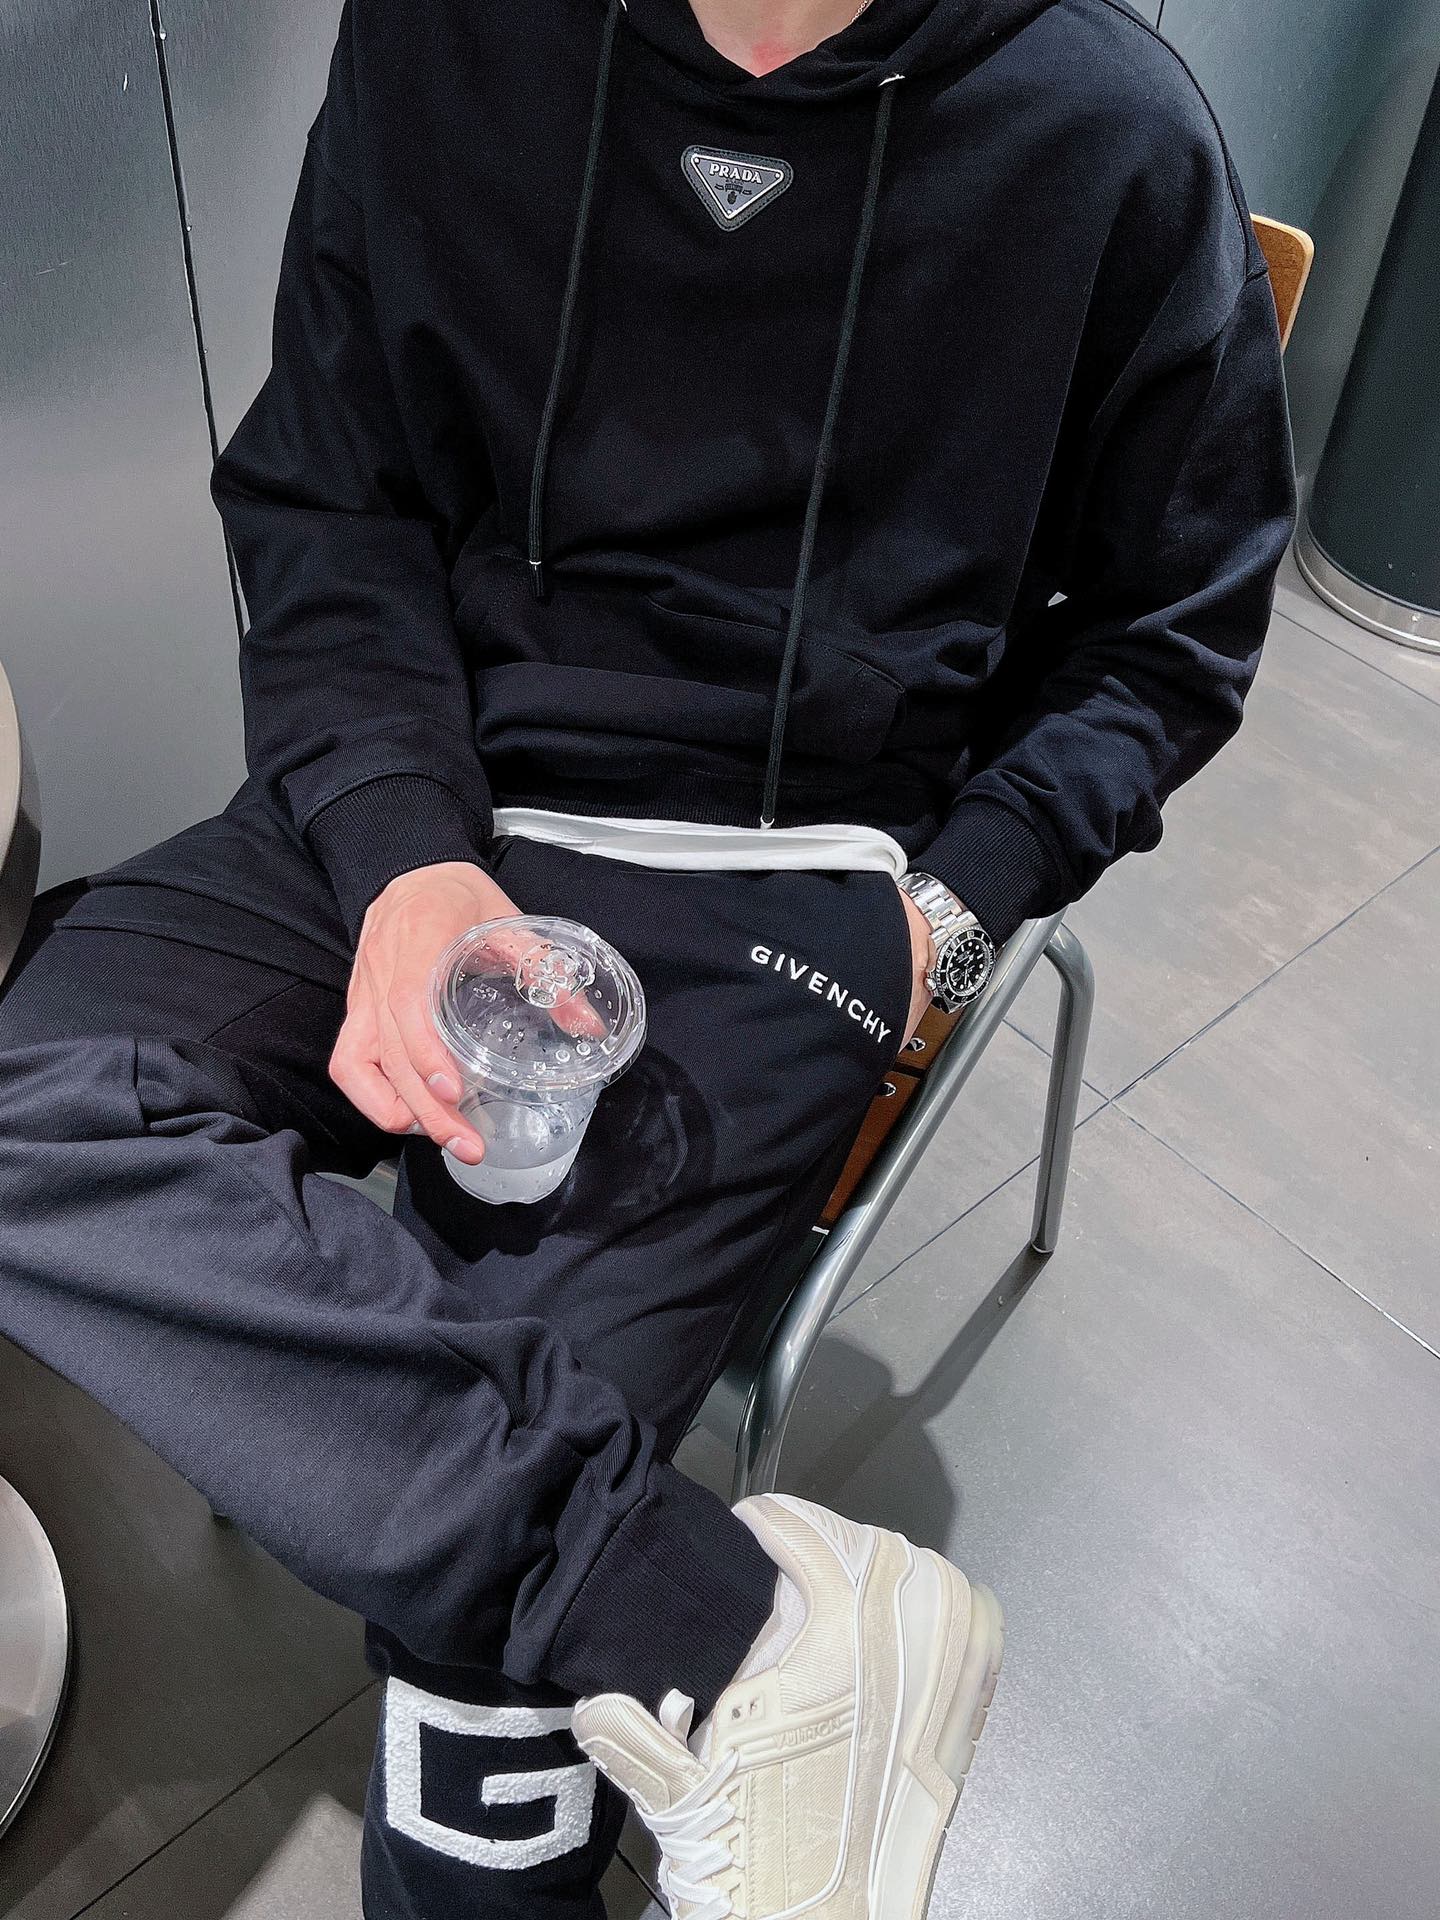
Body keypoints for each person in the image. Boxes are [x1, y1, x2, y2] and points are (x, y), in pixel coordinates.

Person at [0, 0, 1296, 1914]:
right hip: (418, 780)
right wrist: (407, 854)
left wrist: (952, 907)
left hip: (774, 877)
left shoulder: (1106, 131)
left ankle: (563, 1590)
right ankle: (733, 1627)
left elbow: (1171, 632)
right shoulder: (443, 39)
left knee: (476, 1677)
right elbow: (330, 490)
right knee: (28, 1108)